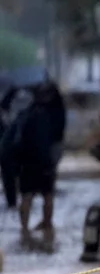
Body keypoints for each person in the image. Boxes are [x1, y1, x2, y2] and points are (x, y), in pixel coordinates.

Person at [14, 82, 67, 251]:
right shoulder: (56, 113)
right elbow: (57, 140)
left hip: (28, 161)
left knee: (28, 196)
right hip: (44, 162)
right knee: (46, 195)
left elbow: (17, 139)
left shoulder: (28, 113)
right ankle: (46, 224)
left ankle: (25, 228)